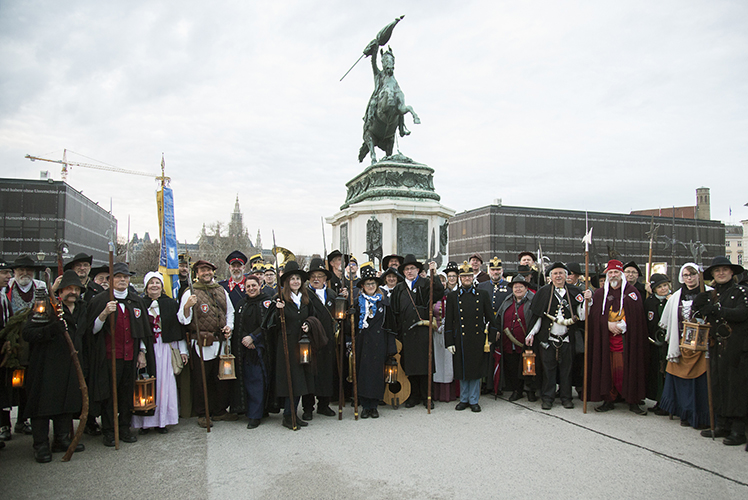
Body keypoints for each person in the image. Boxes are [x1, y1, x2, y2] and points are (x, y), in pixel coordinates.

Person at [87, 262, 155, 446]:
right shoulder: (100, 301)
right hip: (108, 357)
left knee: (126, 393)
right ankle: (109, 430)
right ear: (110, 280)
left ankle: (124, 427)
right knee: (110, 394)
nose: (122, 280)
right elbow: (92, 331)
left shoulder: (136, 301)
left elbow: (141, 330)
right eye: (118, 277)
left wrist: (142, 352)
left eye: (125, 277)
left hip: (130, 356)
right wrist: (103, 315)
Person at [22, 270, 86, 462]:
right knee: (43, 405)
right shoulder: (46, 307)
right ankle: (40, 444)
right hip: (46, 366)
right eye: (68, 289)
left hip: (70, 365)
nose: (72, 292)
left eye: (76, 289)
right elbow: (28, 333)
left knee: (66, 403)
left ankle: (62, 438)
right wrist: (51, 329)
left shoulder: (82, 308)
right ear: (60, 291)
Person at [693, 256, 748, 448]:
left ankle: (738, 429)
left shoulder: (741, 291)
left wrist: (718, 310)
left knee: (736, 388)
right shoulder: (712, 294)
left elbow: (742, 313)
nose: (721, 273)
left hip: (737, 347)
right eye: (717, 271)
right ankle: (722, 423)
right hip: (717, 346)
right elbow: (699, 315)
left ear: (732, 272)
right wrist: (698, 304)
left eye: (725, 269)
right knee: (719, 384)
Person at [263, 261, 321, 430]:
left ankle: (293, 413)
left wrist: (308, 325)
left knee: (301, 381)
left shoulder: (305, 299)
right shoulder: (279, 299)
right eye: (292, 279)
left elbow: (314, 317)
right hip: (286, 346)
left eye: (297, 278)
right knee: (291, 380)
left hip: (302, 346)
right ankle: (288, 415)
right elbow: (267, 324)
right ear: (286, 282)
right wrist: (277, 311)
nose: (295, 281)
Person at [178, 259, 236, 427]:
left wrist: (229, 327)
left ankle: (219, 411)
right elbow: (183, 319)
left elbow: (230, 312)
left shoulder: (220, 290)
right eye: (202, 270)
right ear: (197, 273)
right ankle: (203, 413)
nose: (206, 273)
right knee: (201, 380)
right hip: (202, 344)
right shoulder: (190, 292)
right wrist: (188, 306)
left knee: (221, 379)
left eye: (209, 270)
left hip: (221, 342)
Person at [586, 260, 649, 415]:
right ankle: (609, 399)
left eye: (616, 272)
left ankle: (632, 401)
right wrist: (607, 324)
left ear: (621, 275)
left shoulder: (632, 293)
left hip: (627, 342)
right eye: (610, 273)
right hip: (606, 342)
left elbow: (637, 317)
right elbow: (594, 316)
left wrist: (623, 325)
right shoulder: (601, 294)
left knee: (628, 369)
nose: (613, 275)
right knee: (609, 370)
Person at [132, 272, 188, 435]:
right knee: (147, 383)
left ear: (162, 286)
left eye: (157, 282)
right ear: (146, 286)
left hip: (166, 348)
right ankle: (145, 422)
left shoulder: (170, 304)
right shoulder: (140, 304)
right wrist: (141, 351)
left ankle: (162, 421)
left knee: (164, 384)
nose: (154, 286)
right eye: (151, 283)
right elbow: (139, 329)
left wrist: (182, 350)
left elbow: (177, 328)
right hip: (147, 349)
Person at [527, 263, 586, 410]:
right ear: (550, 277)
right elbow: (538, 317)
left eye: (561, 273)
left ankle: (566, 398)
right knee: (548, 370)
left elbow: (582, 316)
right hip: (548, 339)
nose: (558, 276)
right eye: (555, 273)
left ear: (566, 276)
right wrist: (531, 333)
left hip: (567, 339)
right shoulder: (543, 292)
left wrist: (587, 301)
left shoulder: (575, 291)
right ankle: (548, 398)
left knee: (566, 370)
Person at [390, 254, 443, 409]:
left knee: (425, 366)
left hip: (423, 331)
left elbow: (439, 293)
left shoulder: (426, 283)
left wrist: (435, 274)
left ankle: (427, 396)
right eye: (406, 269)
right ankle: (412, 396)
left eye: (412, 268)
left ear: (418, 269)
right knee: (410, 365)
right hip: (406, 333)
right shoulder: (399, 288)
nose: (409, 271)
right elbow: (394, 311)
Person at [5, 255, 47, 436]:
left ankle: (22, 419)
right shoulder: (6, 289)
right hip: (11, 343)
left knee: (29, 383)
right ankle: (4, 424)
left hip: (34, 343)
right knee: (8, 384)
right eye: (20, 270)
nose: (25, 273)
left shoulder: (41, 287)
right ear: (14, 272)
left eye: (28, 270)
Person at [444, 262, 495, 412]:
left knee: (475, 370)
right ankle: (464, 399)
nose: (466, 278)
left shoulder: (483, 294)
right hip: (460, 338)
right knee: (462, 370)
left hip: (478, 338)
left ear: (473, 277)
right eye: (464, 276)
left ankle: (474, 400)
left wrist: (490, 338)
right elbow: (449, 321)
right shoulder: (453, 296)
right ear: (460, 278)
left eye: (469, 276)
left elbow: (491, 319)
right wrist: (449, 341)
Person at [354, 264, 397, 418]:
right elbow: (349, 328)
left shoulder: (384, 303)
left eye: (373, 283)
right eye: (367, 284)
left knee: (377, 374)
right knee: (364, 374)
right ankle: (365, 405)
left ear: (377, 285)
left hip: (380, 343)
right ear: (363, 286)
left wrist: (391, 347)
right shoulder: (357, 303)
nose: (370, 286)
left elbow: (390, 326)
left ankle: (374, 405)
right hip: (363, 344)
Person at [302, 258, 338, 420]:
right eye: (313, 276)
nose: (316, 279)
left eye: (320, 275)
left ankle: (324, 404)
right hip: (310, 340)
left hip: (328, 339)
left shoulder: (332, 294)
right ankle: (308, 407)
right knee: (309, 373)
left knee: (326, 372)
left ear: (325, 278)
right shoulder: (304, 294)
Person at [232, 275, 270, 429]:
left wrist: (254, 338)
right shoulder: (242, 304)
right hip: (244, 348)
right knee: (247, 381)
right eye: (248, 287)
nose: (251, 289)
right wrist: (245, 339)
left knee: (257, 382)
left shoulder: (266, 302)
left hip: (260, 349)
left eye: (254, 285)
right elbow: (238, 325)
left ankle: (256, 415)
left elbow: (268, 323)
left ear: (260, 285)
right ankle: (251, 410)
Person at [497, 275, 536, 402]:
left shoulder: (533, 301)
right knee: (513, 367)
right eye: (515, 287)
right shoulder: (507, 301)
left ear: (526, 288)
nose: (518, 289)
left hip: (527, 342)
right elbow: (499, 318)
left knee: (529, 367)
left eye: (521, 287)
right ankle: (517, 390)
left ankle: (530, 390)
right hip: (509, 342)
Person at [477, 257, 511, 394]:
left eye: (498, 269)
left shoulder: (509, 287)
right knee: (486, 357)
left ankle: (501, 384)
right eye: (492, 269)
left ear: (502, 271)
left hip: (504, 326)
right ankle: (487, 384)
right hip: (486, 325)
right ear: (488, 271)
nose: (495, 272)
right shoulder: (481, 286)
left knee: (502, 356)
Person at [644, 273, 672, 417]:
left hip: (669, 342)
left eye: (665, 286)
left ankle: (668, 403)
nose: (663, 289)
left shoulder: (672, 300)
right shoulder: (649, 302)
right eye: (659, 287)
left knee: (668, 373)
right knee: (657, 372)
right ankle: (659, 400)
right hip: (654, 342)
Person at [432, 261, 458, 402]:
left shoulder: (455, 294)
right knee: (438, 361)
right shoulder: (437, 296)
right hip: (437, 332)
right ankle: (437, 392)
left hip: (450, 331)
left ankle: (449, 393)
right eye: (440, 280)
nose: (442, 283)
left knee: (449, 363)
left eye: (444, 280)